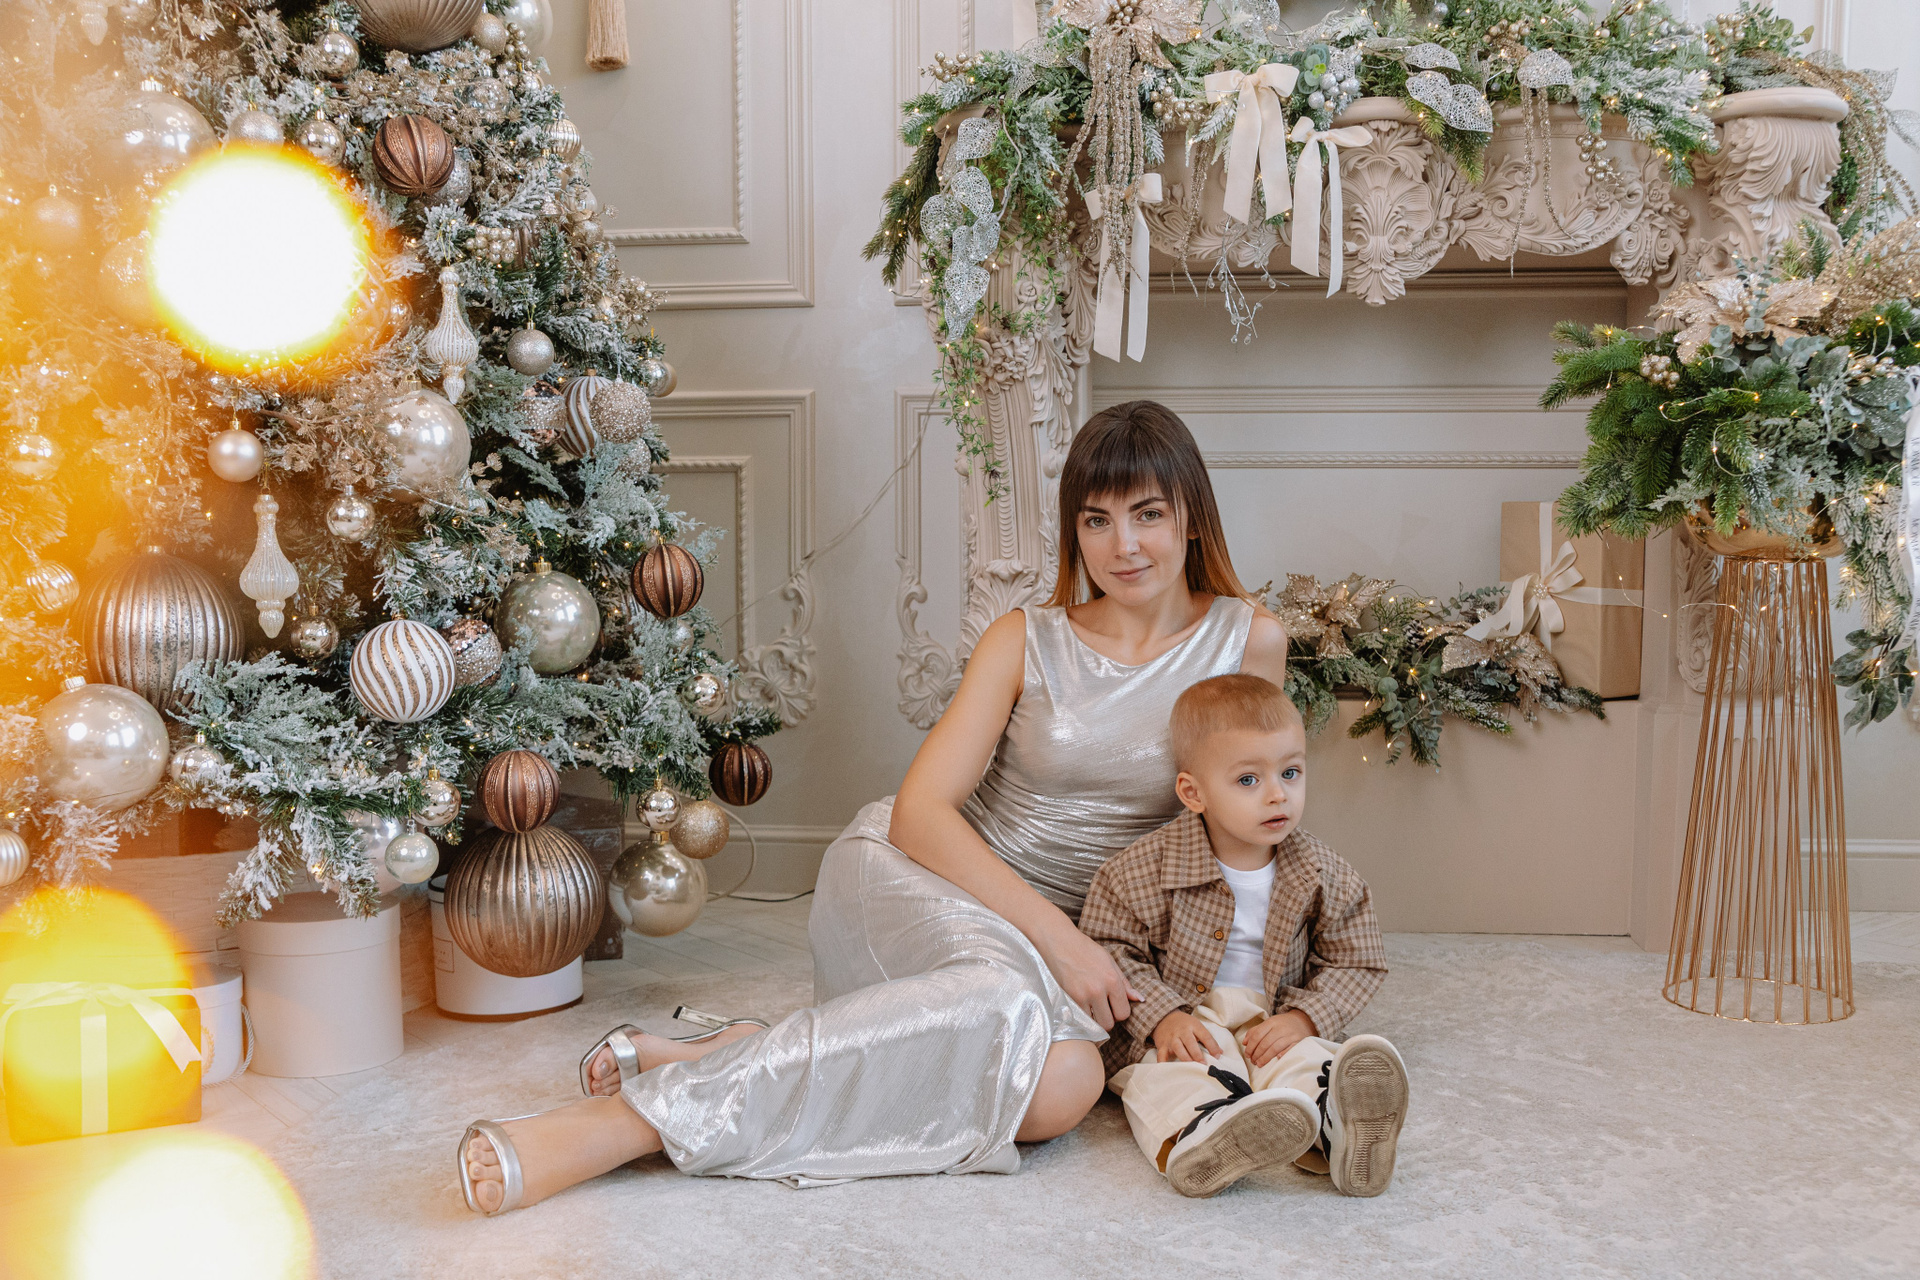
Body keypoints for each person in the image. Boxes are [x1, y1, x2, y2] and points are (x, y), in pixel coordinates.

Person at [457, 400, 1289, 1214]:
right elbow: (920, 814)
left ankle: (749, 1051)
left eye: (1148, 514)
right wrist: (1063, 943)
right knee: (1013, 1020)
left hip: (1088, 940)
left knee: (1060, 1087)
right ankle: (631, 1123)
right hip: (932, 879)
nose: (1124, 545)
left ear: (1191, 517)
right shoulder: (1024, 638)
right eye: (1096, 520)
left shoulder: (1250, 641)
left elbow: (1241, 824)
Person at [1079, 673, 1406, 1200]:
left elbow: (1357, 959)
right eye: (1248, 780)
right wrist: (1161, 1018)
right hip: (1186, 1022)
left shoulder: (1322, 872)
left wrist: (1304, 1019)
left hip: (1271, 1017)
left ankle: (1339, 1130)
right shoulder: (1139, 871)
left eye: (1291, 772)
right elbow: (1109, 952)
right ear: (1194, 793)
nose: (1278, 794)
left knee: (1307, 1062)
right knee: (1177, 1076)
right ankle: (1204, 1135)